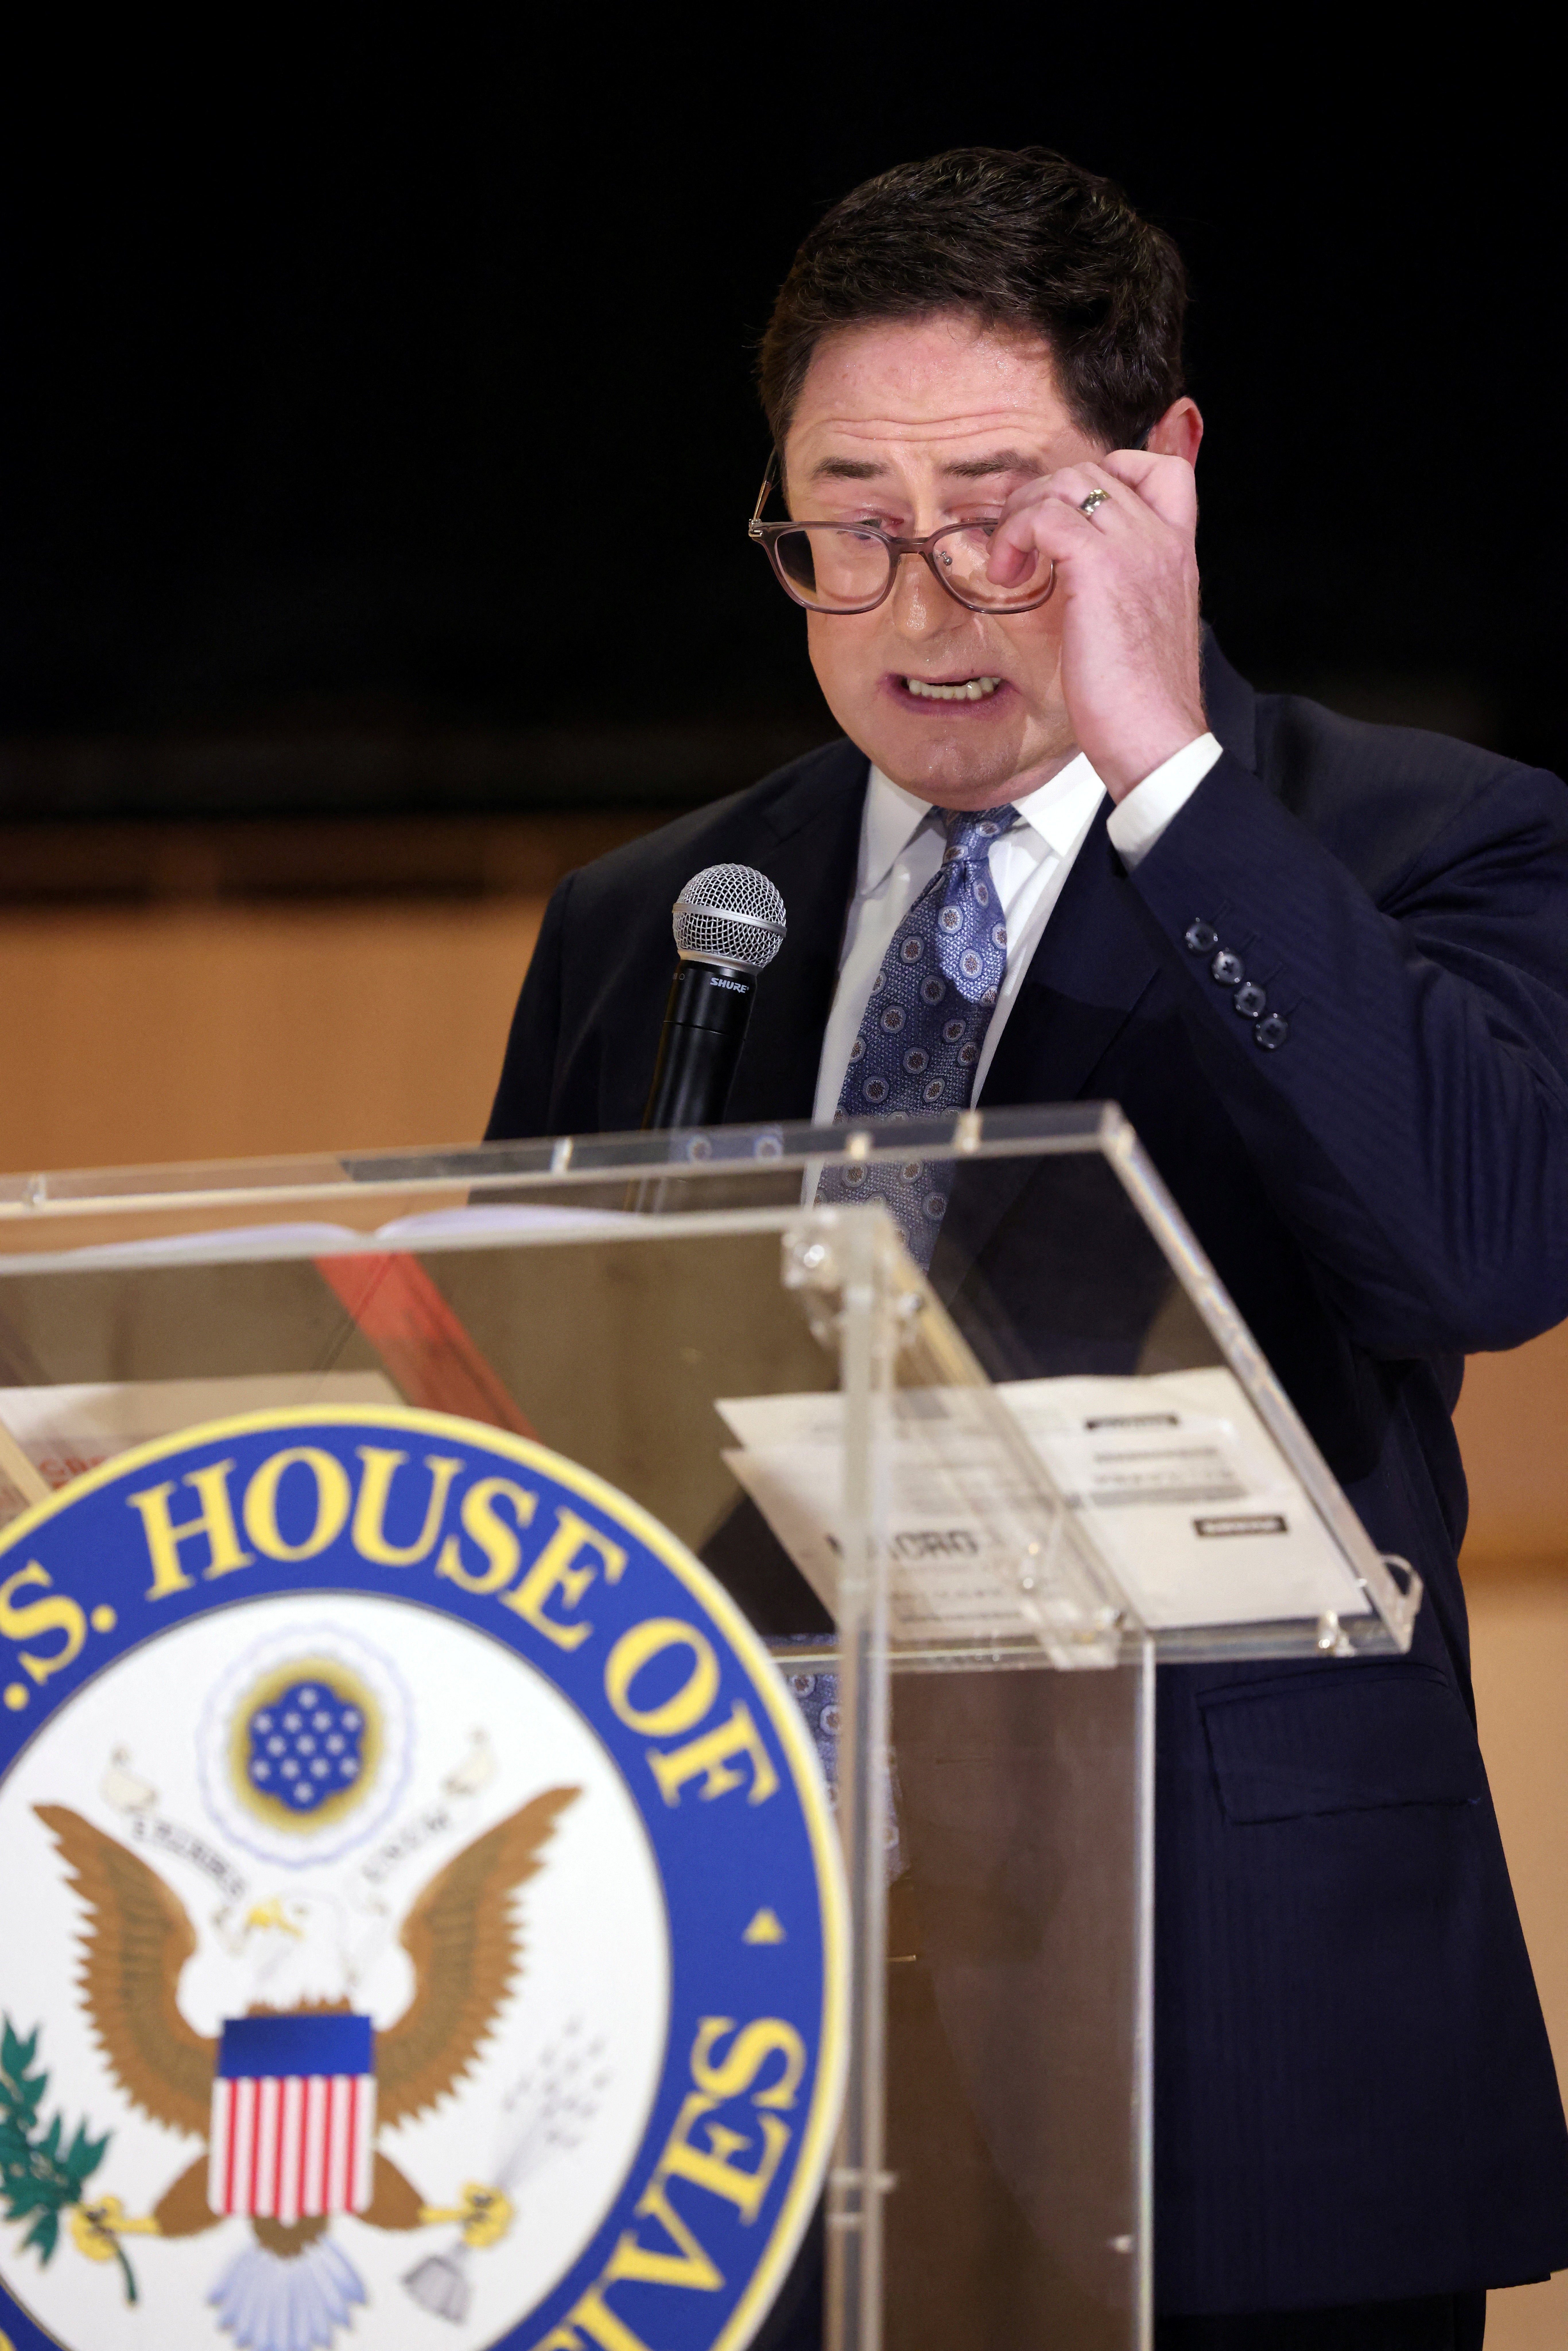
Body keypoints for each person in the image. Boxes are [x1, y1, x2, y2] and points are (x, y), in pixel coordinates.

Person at [487, 148, 1568, 2347]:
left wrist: (1162, 770)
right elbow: (535, 1436)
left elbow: (1477, 1253)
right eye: (849, 524)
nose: (918, 604)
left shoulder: (1419, 842)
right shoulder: (661, 920)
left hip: (1229, 2043)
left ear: (1156, 482)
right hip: (738, 2049)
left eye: (996, 518)